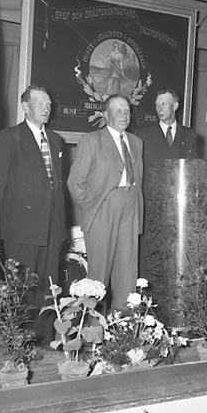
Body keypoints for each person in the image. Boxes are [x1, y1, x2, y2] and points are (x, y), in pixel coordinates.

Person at [0, 85, 67, 342]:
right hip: (22, 229)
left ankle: (45, 339)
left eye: (48, 105)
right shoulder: (9, 137)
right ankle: (17, 341)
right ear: (25, 107)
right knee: (21, 288)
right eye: (40, 104)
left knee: (49, 287)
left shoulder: (56, 141)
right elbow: (0, 186)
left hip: (52, 228)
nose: (46, 108)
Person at [67, 94, 143, 311]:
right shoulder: (92, 140)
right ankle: (94, 324)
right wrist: (92, 209)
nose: (124, 114)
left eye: (127, 110)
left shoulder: (136, 143)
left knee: (128, 271)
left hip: (130, 207)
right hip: (103, 209)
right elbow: (75, 182)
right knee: (98, 276)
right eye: (118, 110)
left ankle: (124, 324)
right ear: (106, 115)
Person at [136, 89, 199, 161]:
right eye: (157, 104)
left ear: (175, 106)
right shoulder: (143, 136)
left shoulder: (190, 136)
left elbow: (194, 165)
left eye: (164, 104)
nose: (159, 108)